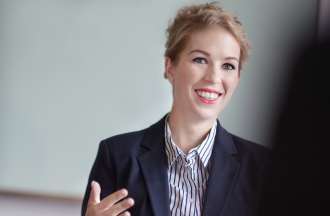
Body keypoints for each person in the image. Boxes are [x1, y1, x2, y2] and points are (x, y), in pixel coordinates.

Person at [81, 2, 270, 216]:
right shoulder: (117, 156)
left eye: (228, 66)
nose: (214, 78)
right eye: (200, 60)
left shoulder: (262, 168)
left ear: (237, 77)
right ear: (170, 67)